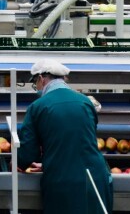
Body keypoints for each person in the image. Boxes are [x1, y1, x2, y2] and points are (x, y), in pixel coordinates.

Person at [18, 59, 113, 214]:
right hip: (95, 176)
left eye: (35, 82)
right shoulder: (85, 102)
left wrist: (19, 163)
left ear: (42, 78)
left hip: (63, 181)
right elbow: (81, 139)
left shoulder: (38, 106)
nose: (37, 86)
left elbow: (29, 152)